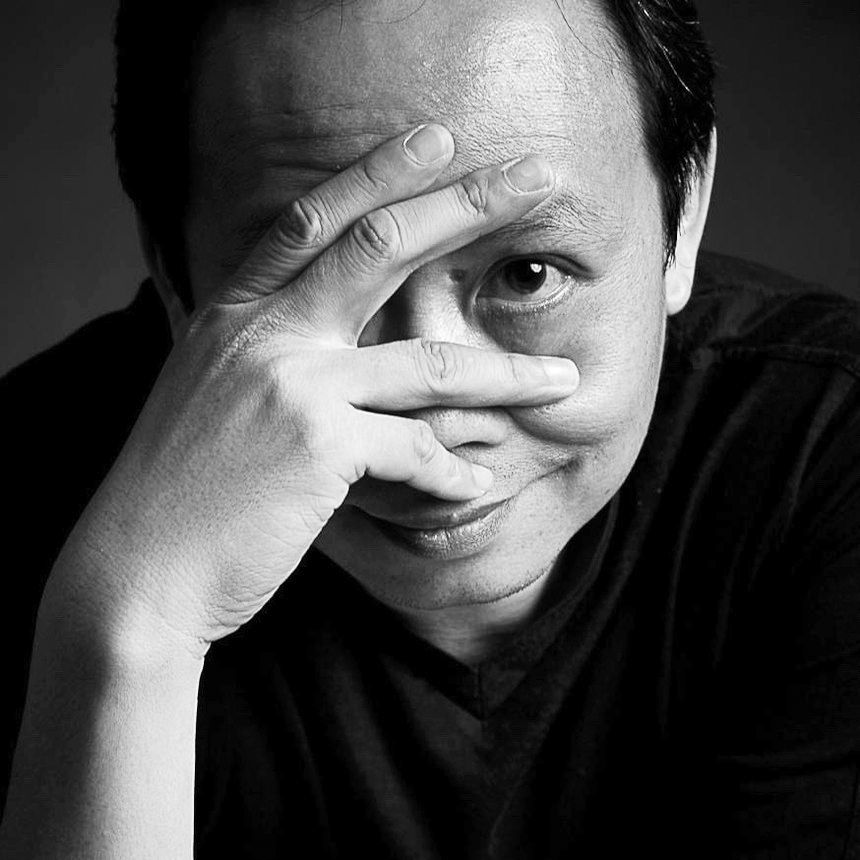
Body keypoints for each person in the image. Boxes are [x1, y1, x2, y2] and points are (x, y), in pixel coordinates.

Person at [1, 0, 859, 856]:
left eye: (528, 273)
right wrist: (133, 627)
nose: (430, 428)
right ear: (171, 270)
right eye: (311, 275)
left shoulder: (829, 454)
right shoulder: (27, 478)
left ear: (685, 215)